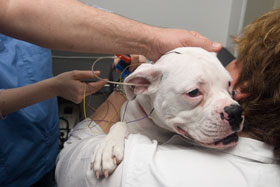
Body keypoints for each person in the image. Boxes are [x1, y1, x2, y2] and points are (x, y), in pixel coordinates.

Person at [0, 0, 222, 186]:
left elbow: (57, 14)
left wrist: (138, 42)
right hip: (9, 159)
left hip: (41, 150)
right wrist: (55, 87)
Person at [55, 8, 280, 187]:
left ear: (245, 87)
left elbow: (69, 160)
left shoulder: (142, 171)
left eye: (237, 62)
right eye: (195, 93)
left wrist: (124, 88)